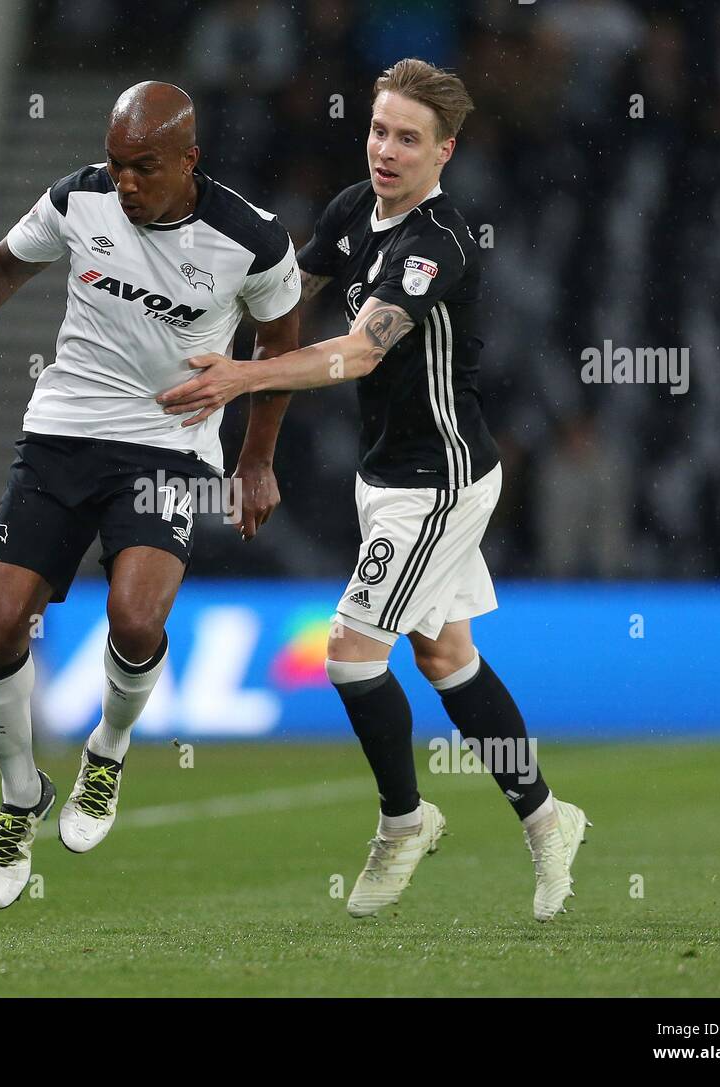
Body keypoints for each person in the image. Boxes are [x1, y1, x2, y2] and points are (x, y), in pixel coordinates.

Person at [158, 59, 590, 923]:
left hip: (442, 479)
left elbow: (357, 350)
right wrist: (204, 314)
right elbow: (288, 295)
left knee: (352, 654)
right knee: (446, 658)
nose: (386, 151)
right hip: (383, 474)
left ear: (445, 153)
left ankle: (404, 820)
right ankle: (549, 819)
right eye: (378, 130)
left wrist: (242, 377)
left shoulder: (438, 245)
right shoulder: (354, 209)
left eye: (408, 139)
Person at [0, 82, 301, 909]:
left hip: (169, 445)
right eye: (117, 165)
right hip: (63, 432)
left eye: (145, 168)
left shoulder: (252, 239)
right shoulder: (78, 197)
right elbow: (2, 265)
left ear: (188, 161)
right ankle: (21, 791)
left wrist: (256, 456)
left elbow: (281, 343)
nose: (126, 182)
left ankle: (108, 748)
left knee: (136, 618)